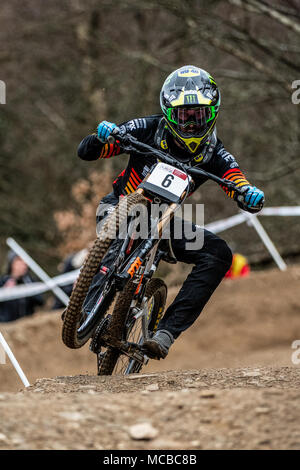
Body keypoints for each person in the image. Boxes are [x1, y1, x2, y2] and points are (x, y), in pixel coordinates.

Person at [77, 65, 264, 360]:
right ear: (168, 112)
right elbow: (87, 152)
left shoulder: (215, 154)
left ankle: (165, 333)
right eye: (183, 116)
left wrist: (249, 194)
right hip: (118, 207)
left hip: (162, 226)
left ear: (212, 113)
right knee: (121, 230)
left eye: (198, 116)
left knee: (218, 254)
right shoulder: (145, 128)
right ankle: (84, 311)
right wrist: (101, 136)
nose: (190, 125)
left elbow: (237, 183)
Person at [0, 251, 44, 322]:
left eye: (25, 261)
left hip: (26, 325)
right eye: (19, 260)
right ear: (12, 263)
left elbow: (40, 301)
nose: (24, 264)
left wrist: (29, 288)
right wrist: (5, 290)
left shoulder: (31, 281)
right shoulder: (2, 281)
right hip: (7, 326)